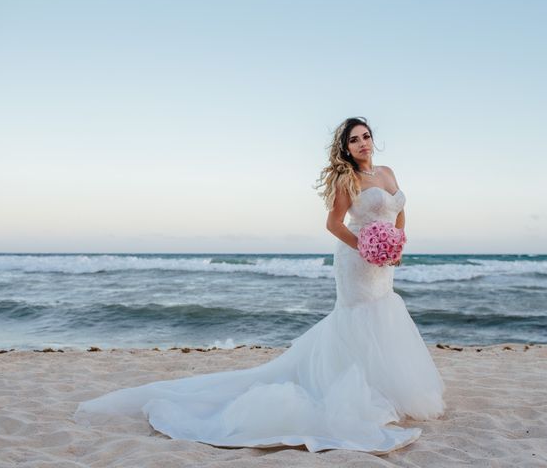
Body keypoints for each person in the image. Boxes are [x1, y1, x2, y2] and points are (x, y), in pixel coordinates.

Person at [73, 116, 446, 455]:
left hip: (384, 263)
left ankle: (382, 390)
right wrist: (365, 247)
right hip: (357, 261)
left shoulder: (388, 172)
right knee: (357, 320)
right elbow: (333, 224)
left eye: (366, 137)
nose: (363, 143)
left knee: (382, 316)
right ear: (345, 148)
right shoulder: (345, 179)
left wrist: (397, 243)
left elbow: (400, 210)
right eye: (354, 140)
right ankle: (353, 393)